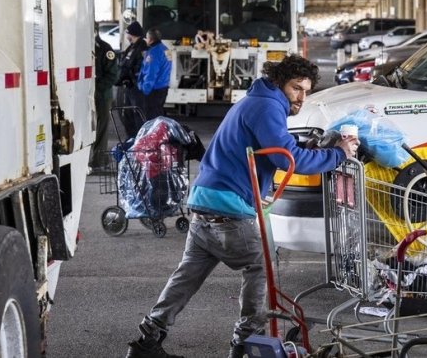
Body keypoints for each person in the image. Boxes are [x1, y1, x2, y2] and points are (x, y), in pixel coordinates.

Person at [125, 55, 359, 358]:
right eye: (296, 88)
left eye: (306, 90)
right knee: (261, 266)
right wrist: (338, 154)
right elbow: (286, 158)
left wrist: (306, 151)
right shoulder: (267, 106)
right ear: (279, 82)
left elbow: (272, 148)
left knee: (187, 278)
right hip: (229, 210)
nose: (302, 97)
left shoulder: (257, 100)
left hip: (204, 203)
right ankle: (248, 344)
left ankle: (147, 340)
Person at [89, 25, 119, 171]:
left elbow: (113, 74)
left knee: (101, 126)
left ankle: (99, 160)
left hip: (102, 94)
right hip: (86, 94)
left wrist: (98, 88)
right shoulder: (83, 48)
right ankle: (91, 159)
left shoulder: (105, 49)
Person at [115, 20, 147, 138]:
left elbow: (141, 67)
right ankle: (132, 141)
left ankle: (140, 141)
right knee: (128, 115)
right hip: (130, 87)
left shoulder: (142, 47)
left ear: (133, 34)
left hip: (136, 88)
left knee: (138, 115)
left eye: (127, 33)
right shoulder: (133, 47)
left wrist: (132, 78)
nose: (126, 35)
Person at [137, 27, 172, 121]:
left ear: (151, 39)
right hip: (163, 87)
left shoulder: (153, 53)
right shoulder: (166, 50)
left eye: (147, 38)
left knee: (151, 119)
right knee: (158, 116)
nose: (146, 40)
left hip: (153, 90)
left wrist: (145, 90)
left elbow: (151, 73)